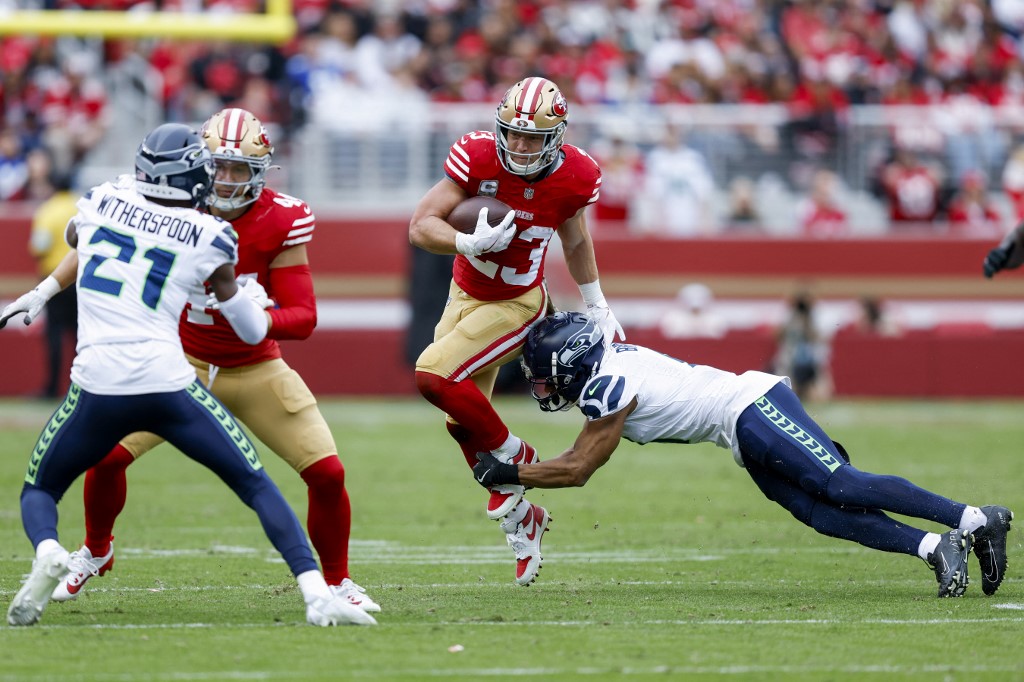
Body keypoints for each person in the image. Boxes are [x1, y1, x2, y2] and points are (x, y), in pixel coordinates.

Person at [1, 123, 374, 627]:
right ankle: (96, 549)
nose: (226, 179)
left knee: (326, 471)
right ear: (198, 167)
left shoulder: (277, 218)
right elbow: (89, 243)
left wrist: (262, 317)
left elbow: (303, 318)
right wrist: (46, 290)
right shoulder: (192, 218)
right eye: (218, 167)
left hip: (253, 366)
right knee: (109, 459)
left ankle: (337, 581)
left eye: (239, 169)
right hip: (182, 363)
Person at [473, 312, 1014, 598]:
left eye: (546, 377)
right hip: (736, 430)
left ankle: (975, 519)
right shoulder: (607, 360)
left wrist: (510, 472)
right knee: (819, 513)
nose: (543, 388)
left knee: (841, 484)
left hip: (751, 406)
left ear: (572, 364)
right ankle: (935, 547)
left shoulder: (606, 384)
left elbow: (579, 467)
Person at [407, 76, 624, 586]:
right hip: (464, 294)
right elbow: (421, 225)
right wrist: (464, 242)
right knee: (460, 420)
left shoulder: (575, 175)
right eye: (514, 135)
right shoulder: (477, 157)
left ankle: (515, 455)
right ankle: (524, 518)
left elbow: (575, 240)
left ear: (557, 137)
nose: (521, 147)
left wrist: (596, 302)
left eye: (533, 138)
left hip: (517, 302)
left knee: (434, 375)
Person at [29, 171, 79, 398]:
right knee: (80, 334)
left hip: (55, 279)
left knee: (55, 334)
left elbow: (39, 246)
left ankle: (52, 388)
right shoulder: (80, 207)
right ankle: (78, 386)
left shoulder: (47, 210)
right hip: (79, 279)